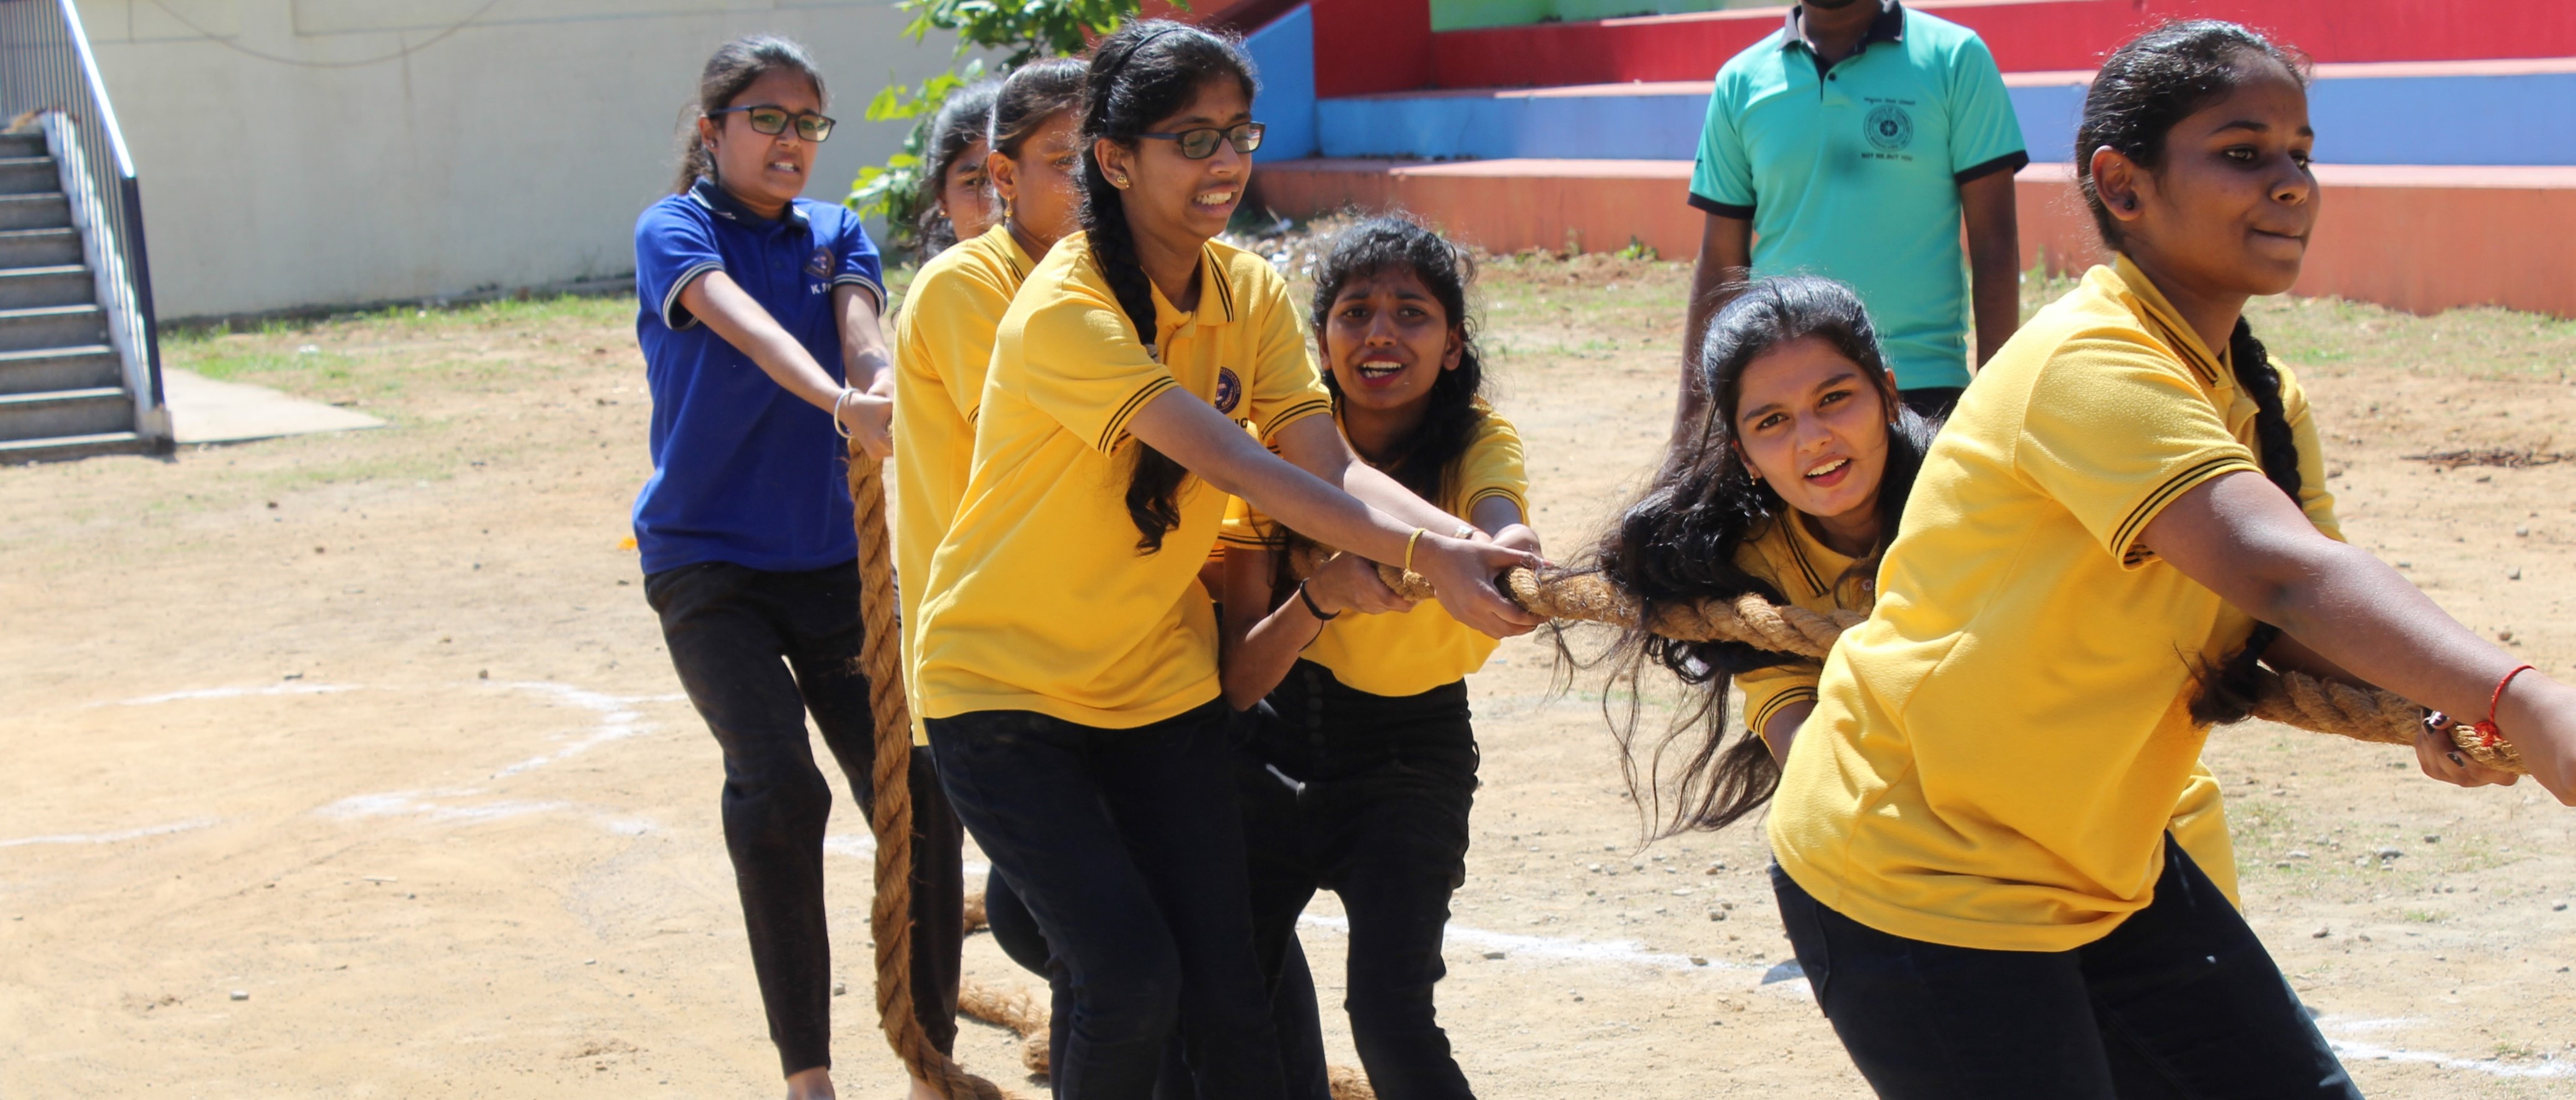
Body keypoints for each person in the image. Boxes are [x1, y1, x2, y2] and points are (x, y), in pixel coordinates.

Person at [1764, 21, 2576, 1096]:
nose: (2289, 182)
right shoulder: (2087, 363)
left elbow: (2290, 615)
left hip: (2099, 863)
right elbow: (2282, 574)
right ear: (2122, 185)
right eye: (2242, 152)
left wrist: (2440, 705)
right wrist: (2521, 699)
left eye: (2300, 153)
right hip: (1920, 870)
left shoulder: (2257, 396)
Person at [911, 21, 1540, 1099]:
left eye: (1238, 134)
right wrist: (1428, 553)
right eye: (1190, 139)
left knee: (1230, 995)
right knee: (1124, 980)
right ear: (1115, 160)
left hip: (1155, 688)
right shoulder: (1064, 308)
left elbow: (1326, 462)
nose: (1225, 162)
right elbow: (1239, 463)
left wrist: (1468, 547)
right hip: (1005, 689)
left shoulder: (1244, 289)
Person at [1575, 274, 2240, 901]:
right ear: (1743, 454)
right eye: (1771, 422)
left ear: (1889, 396)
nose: (1813, 439)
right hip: (1963, 855)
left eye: (1835, 399)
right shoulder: (1753, 568)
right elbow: (1805, 754)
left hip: (2138, 814)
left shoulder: (1981, 500)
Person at [629, 35, 961, 1100]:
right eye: (765, 119)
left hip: (831, 565)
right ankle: (807, 1077)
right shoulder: (676, 229)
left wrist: (877, 386)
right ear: (711, 129)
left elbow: (861, 334)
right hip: (707, 565)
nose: (790, 141)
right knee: (776, 785)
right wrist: (838, 402)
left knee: (919, 794)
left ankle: (929, 1061)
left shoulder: (835, 231)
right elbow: (749, 330)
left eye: (807, 123)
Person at [1216, 216, 1540, 1100]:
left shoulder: (1477, 439)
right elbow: (1241, 682)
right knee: (1220, 996)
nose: (1380, 334)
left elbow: (1502, 520)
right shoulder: (1276, 451)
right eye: (1354, 313)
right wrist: (1321, 595)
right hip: (1274, 748)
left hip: (1413, 759)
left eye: (1411, 313)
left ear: (1453, 345)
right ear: (1320, 341)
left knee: (1391, 1019)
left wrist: (1514, 553)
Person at [1676, 0, 2025, 430]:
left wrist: (1996, 405)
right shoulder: (1740, 82)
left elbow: (1995, 243)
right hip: (1783, 390)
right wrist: (1691, 427)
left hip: (1921, 385)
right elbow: (1720, 261)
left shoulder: (1955, 58)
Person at [913, 79, 1003, 261]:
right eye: (975, 182)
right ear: (942, 197)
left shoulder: (1063, 274)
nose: (998, 201)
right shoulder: (938, 279)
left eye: (1010, 176)